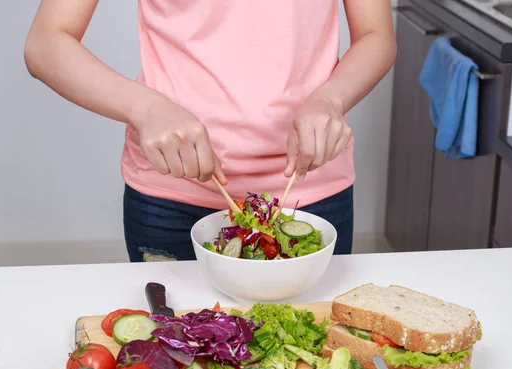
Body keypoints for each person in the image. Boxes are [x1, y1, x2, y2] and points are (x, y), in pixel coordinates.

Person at [24, 1, 396, 262]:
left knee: (308, 363)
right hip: (172, 197)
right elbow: (46, 43)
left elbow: (376, 34)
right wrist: (147, 108)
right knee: (178, 363)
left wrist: (330, 100)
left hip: (310, 190)